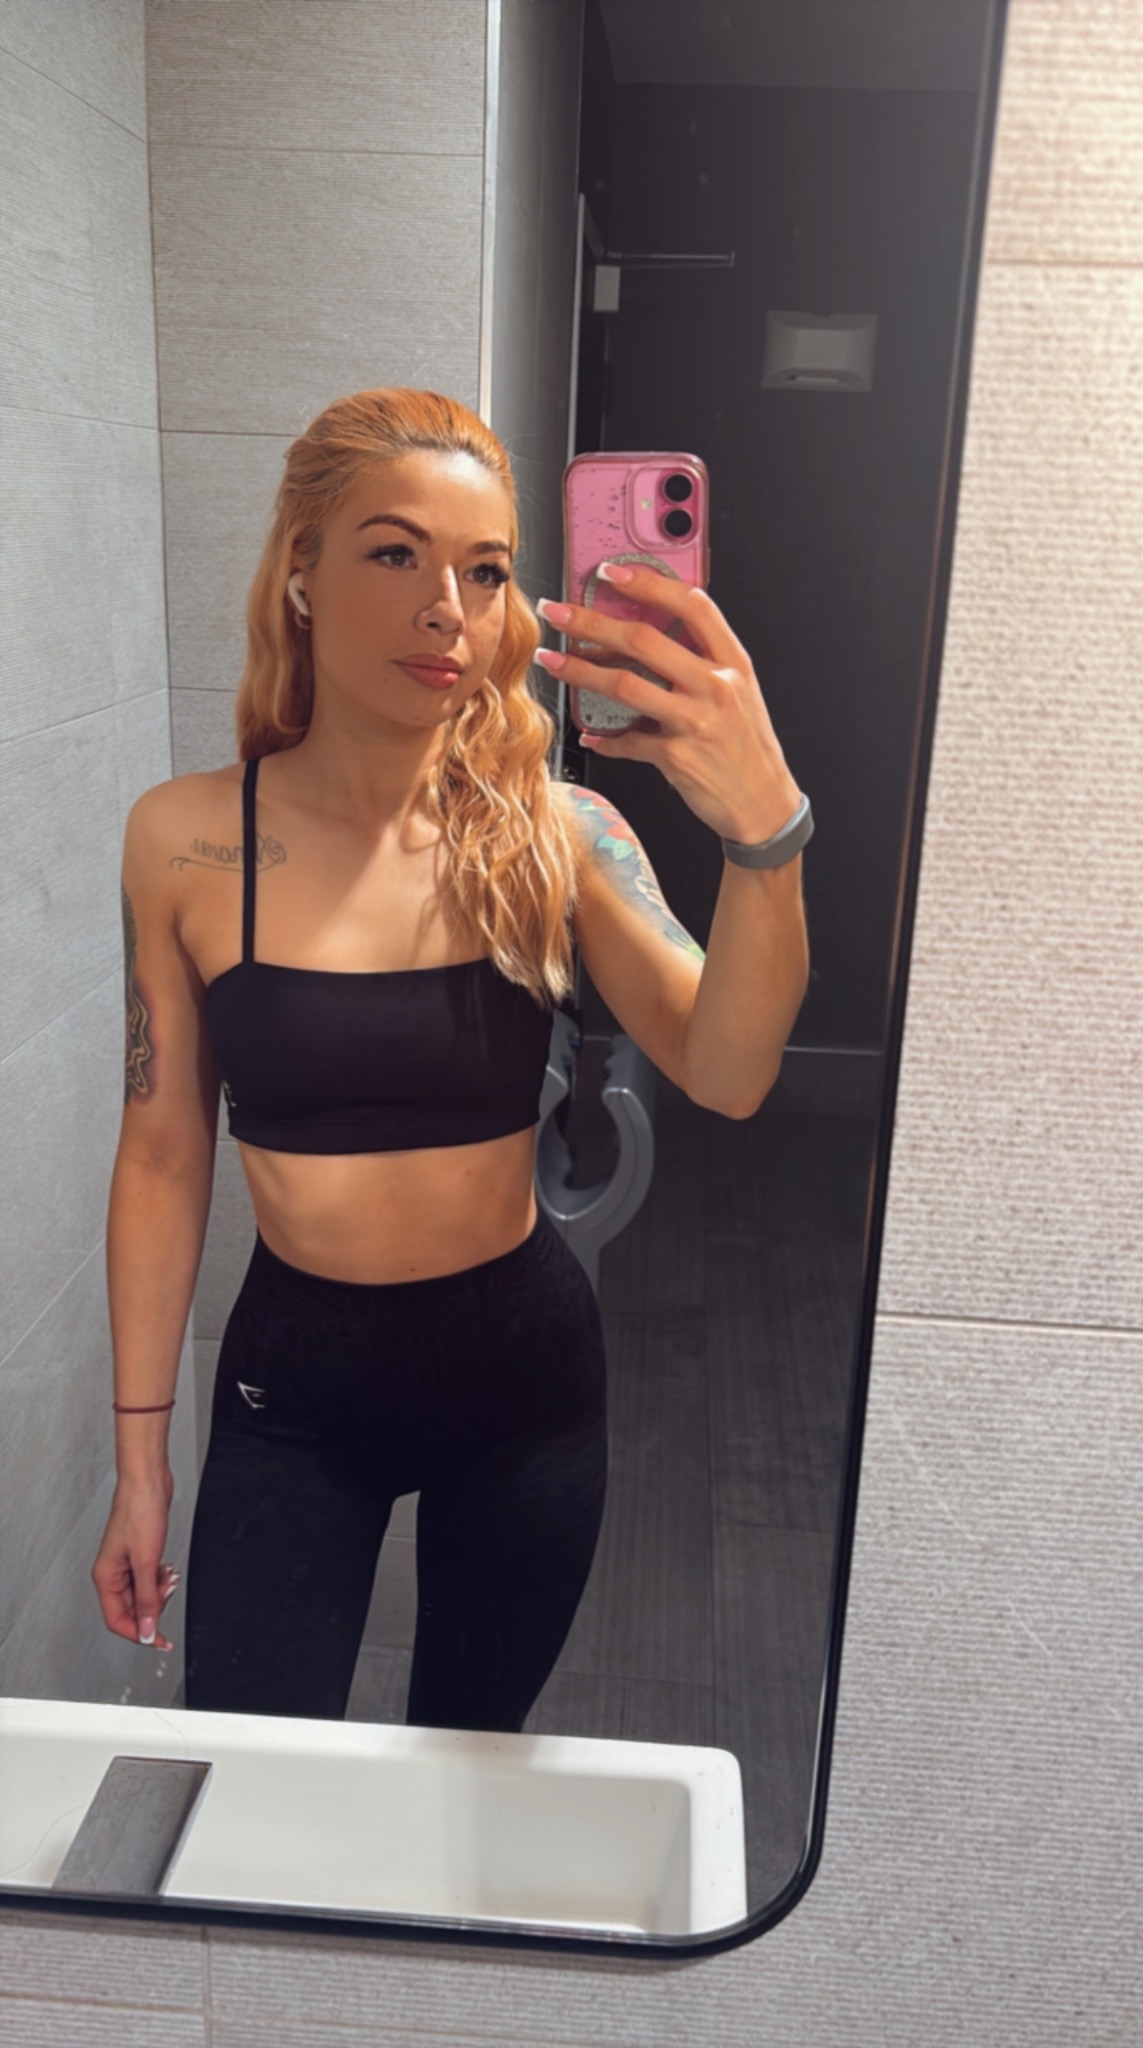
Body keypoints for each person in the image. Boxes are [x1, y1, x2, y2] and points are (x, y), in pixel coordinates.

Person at [91, 385, 811, 1732]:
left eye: (485, 571)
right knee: (256, 1764)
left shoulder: (560, 830)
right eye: (394, 553)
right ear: (300, 572)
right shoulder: (183, 841)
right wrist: (140, 1465)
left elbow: (731, 1072)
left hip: (521, 1379)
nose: (448, 610)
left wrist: (766, 839)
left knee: (472, 1764)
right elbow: (164, 1155)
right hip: (297, 1383)